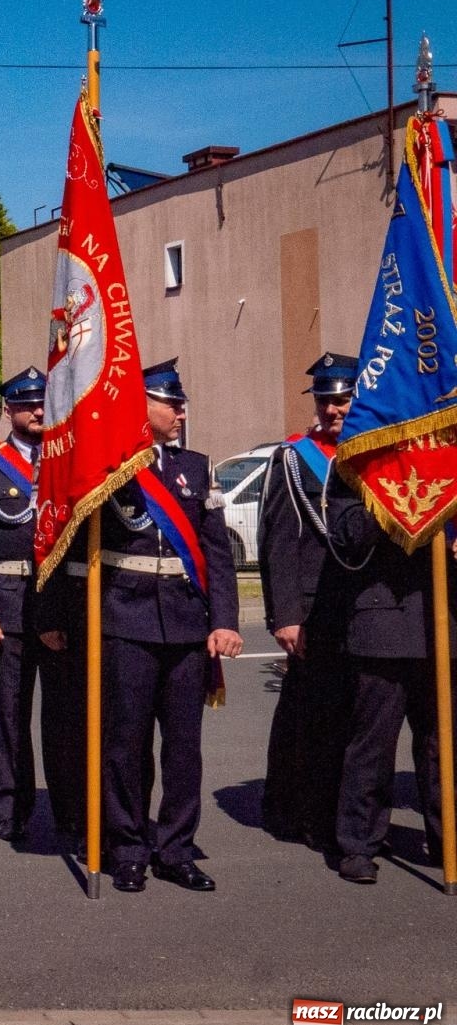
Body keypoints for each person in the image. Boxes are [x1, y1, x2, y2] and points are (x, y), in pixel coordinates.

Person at [69, 358, 241, 893]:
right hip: (127, 618)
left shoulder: (196, 465)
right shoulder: (110, 464)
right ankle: (127, 849)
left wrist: (225, 621)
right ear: (141, 406)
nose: (182, 410)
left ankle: (176, 849)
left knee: (184, 747)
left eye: (180, 401)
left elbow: (217, 554)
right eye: (171, 401)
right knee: (126, 743)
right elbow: (75, 549)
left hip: (188, 625)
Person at [0, 367, 78, 846]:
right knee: (11, 712)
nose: (39, 412)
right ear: (9, 410)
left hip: (61, 608)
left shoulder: (67, 460)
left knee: (64, 715)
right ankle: (11, 805)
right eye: (27, 405)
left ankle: (68, 806)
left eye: (43, 402)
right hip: (5, 609)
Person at [325, 435, 454, 885]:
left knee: (444, 748)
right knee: (372, 747)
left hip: (442, 625)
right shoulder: (355, 467)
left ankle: (448, 840)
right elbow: (346, 540)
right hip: (382, 626)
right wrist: (393, 491)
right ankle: (358, 844)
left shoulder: (448, 461)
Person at [258, 354, 356, 853]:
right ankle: (294, 809)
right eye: (325, 400)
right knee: (308, 715)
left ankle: (347, 813)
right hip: (315, 606)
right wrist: (287, 615)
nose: (334, 408)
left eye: (342, 398)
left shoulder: (374, 452)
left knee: (356, 717)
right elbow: (280, 541)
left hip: (365, 607)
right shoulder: (294, 458)